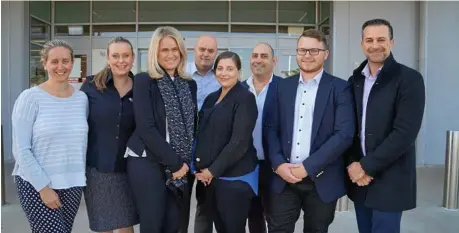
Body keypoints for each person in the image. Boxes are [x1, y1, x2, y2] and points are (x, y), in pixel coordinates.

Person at [264, 29, 355, 233]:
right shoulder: (281, 87)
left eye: (314, 50)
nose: (307, 55)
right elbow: (271, 128)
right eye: (302, 50)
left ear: (326, 53)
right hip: (284, 179)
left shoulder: (340, 88)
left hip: (321, 180)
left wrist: (307, 167)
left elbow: (344, 134)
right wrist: (278, 165)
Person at [346, 18, 425, 233]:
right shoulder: (354, 81)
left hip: (390, 178)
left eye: (381, 39)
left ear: (392, 42)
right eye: (369, 40)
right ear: (362, 44)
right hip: (360, 179)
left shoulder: (409, 79)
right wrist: (354, 164)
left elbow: (405, 133)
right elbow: (349, 129)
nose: (375, 45)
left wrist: (366, 166)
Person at [125, 26, 197, 233]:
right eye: (164, 50)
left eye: (175, 49)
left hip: (180, 166)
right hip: (147, 162)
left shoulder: (189, 84)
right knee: (153, 224)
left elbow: (192, 126)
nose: (171, 54)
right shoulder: (143, 81)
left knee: (175, 225)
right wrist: (175, 164)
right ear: (155, 53)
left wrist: (182, 165)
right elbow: (146, 128)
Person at [11, 39, 89, 233]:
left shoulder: (82, 99)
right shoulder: (30, 98)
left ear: (72, 63)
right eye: (54, 61)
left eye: (65, 61)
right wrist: (43, 188)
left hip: (73, 183)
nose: (60, 67)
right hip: (36, 185)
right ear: (45, 63)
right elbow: (21, 149)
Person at [193, 51, 258, 233]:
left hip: (233, 180)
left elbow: (239, 141)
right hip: (210, 180)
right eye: (220, 68)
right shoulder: (211, 98)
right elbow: (202, 134)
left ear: (239, 72)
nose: (224, 73)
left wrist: (212, 171)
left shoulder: (245, 98)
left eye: (230, 69)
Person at [80, 37, 138, 233]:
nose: (121, 60)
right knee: (104, 225)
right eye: (115, 55)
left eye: (126, 55)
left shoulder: (142, 88)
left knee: (125, 225)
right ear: (108, 58)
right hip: (98, 168)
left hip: (129, 168)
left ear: (133, 58)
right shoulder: (91, 86)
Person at [241, 42, 281, 233]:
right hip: (247, 165)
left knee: (276, 217)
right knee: (253, 216)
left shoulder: (285, 88)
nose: (258, 60)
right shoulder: (239, 89)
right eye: (255, 55)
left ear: (274, 61)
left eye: (264, 56)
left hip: (274, 165)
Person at [185, 34, 220, 233]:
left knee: (205, 205)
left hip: (208, 151)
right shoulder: (182, 73)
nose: (206, 54)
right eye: (202, 49)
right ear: (194, 50)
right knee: (178, 205)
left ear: (216, 53)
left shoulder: (221, 76)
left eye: (210, 51)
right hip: (181, 150)